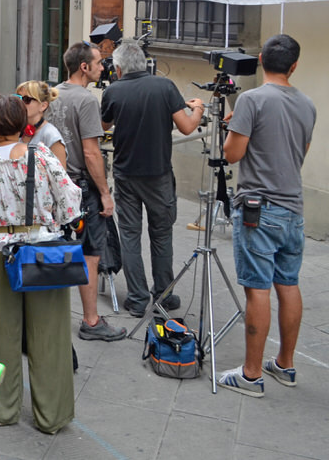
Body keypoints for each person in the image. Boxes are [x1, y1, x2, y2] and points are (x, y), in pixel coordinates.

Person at [0, 95, 82, 433]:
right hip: (43, 253)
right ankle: (52, 415)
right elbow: (70, 203)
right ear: (21, 122)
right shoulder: (40, 155)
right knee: (50, 336)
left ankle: (1, 407)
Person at [217, 34, 316, 398]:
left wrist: (233, 129)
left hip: (259, 209)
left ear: (260, 60)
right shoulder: (307, 104)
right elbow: (297, 151)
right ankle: (285, 365)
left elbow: (232, 154)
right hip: (293, 208)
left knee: (257, 289)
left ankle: (251, 374)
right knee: (288, 284)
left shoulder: (251, 99)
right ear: (294, 66)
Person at [100, 39, 204, 317]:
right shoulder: (165, 86)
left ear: (118, 69)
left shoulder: (113, 91)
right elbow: (186, 127)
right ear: (144, 64)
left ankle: (136, 299)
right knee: (161, 235)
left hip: (125, 173)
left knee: (130, 236)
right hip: (158, 174)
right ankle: (163, 296)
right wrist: (198, 109)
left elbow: (103, 124)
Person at [43, 42, 126, 342]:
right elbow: (91, 153)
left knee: (52, 248)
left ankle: (45, 319)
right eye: (99, 62)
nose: (103, 68)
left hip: (53, 183)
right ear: (84, 66)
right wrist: (105, 193)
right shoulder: (87, 100)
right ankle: (91, 321)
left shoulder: (52, 94)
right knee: (90, 253)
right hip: (80, 186)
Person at [17, 80, 66, 166]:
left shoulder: (51, 135)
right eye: (18, 98)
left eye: (26, 99)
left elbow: (61, 172)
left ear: (43, 106)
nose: (20, 103)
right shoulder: (15, 129)